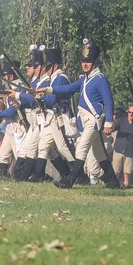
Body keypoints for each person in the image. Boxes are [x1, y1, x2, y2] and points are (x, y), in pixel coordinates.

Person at [38, 38, 118, 189]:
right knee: (99, 154)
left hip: (94, 121)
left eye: (88, 61)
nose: (85, 64)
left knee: (81, 149)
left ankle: (69, 181)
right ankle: (114, 181)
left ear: (95, 62)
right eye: (83, 61)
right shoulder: (85, 80)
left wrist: (108, 122)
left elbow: (109, 101)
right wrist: (49, 90)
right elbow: (68, 89)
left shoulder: (100, 79)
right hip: (86, 122)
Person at [27, 48, 75, 182]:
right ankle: (37, 175)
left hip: (61, 117)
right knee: (43, 146)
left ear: (55, 66)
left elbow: (52, 99)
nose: (46, 70)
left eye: (48, 67)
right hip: (53, 117)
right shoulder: (55, 78)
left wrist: (39, 97)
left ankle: (79, 175)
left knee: (62, 148)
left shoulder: (60, 78)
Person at [12, 45, 47, 181]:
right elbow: (30, 101)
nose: (28, 68)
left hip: (40, 121)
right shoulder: (33, 83)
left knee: (33, 149)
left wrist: (18, 96)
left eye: (31, 66)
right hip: (34, 122)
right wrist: (19, 102)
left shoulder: (40, 82)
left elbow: (35, 99)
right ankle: (25, 176)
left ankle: (24, 177)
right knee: (27, 149)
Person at [0, 58, 26, 179]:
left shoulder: (17, 90)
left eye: (4, 77)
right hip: (11, 127)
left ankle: (25, 178)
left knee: (19, 155)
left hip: (18, 127)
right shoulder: (12, 89)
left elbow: (11, 113)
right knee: (3, 155)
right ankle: (4, 180)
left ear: (10, 77)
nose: (2, 82)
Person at [112, 106, 133, 186]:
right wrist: (113, 120)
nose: (131, 114)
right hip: (119, 149)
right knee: (116, 171)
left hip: (130, 151)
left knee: (127, 173)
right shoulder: (121, 121)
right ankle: (114, 185)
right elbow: (113, 129)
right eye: (129, 112)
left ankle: (126, 186)